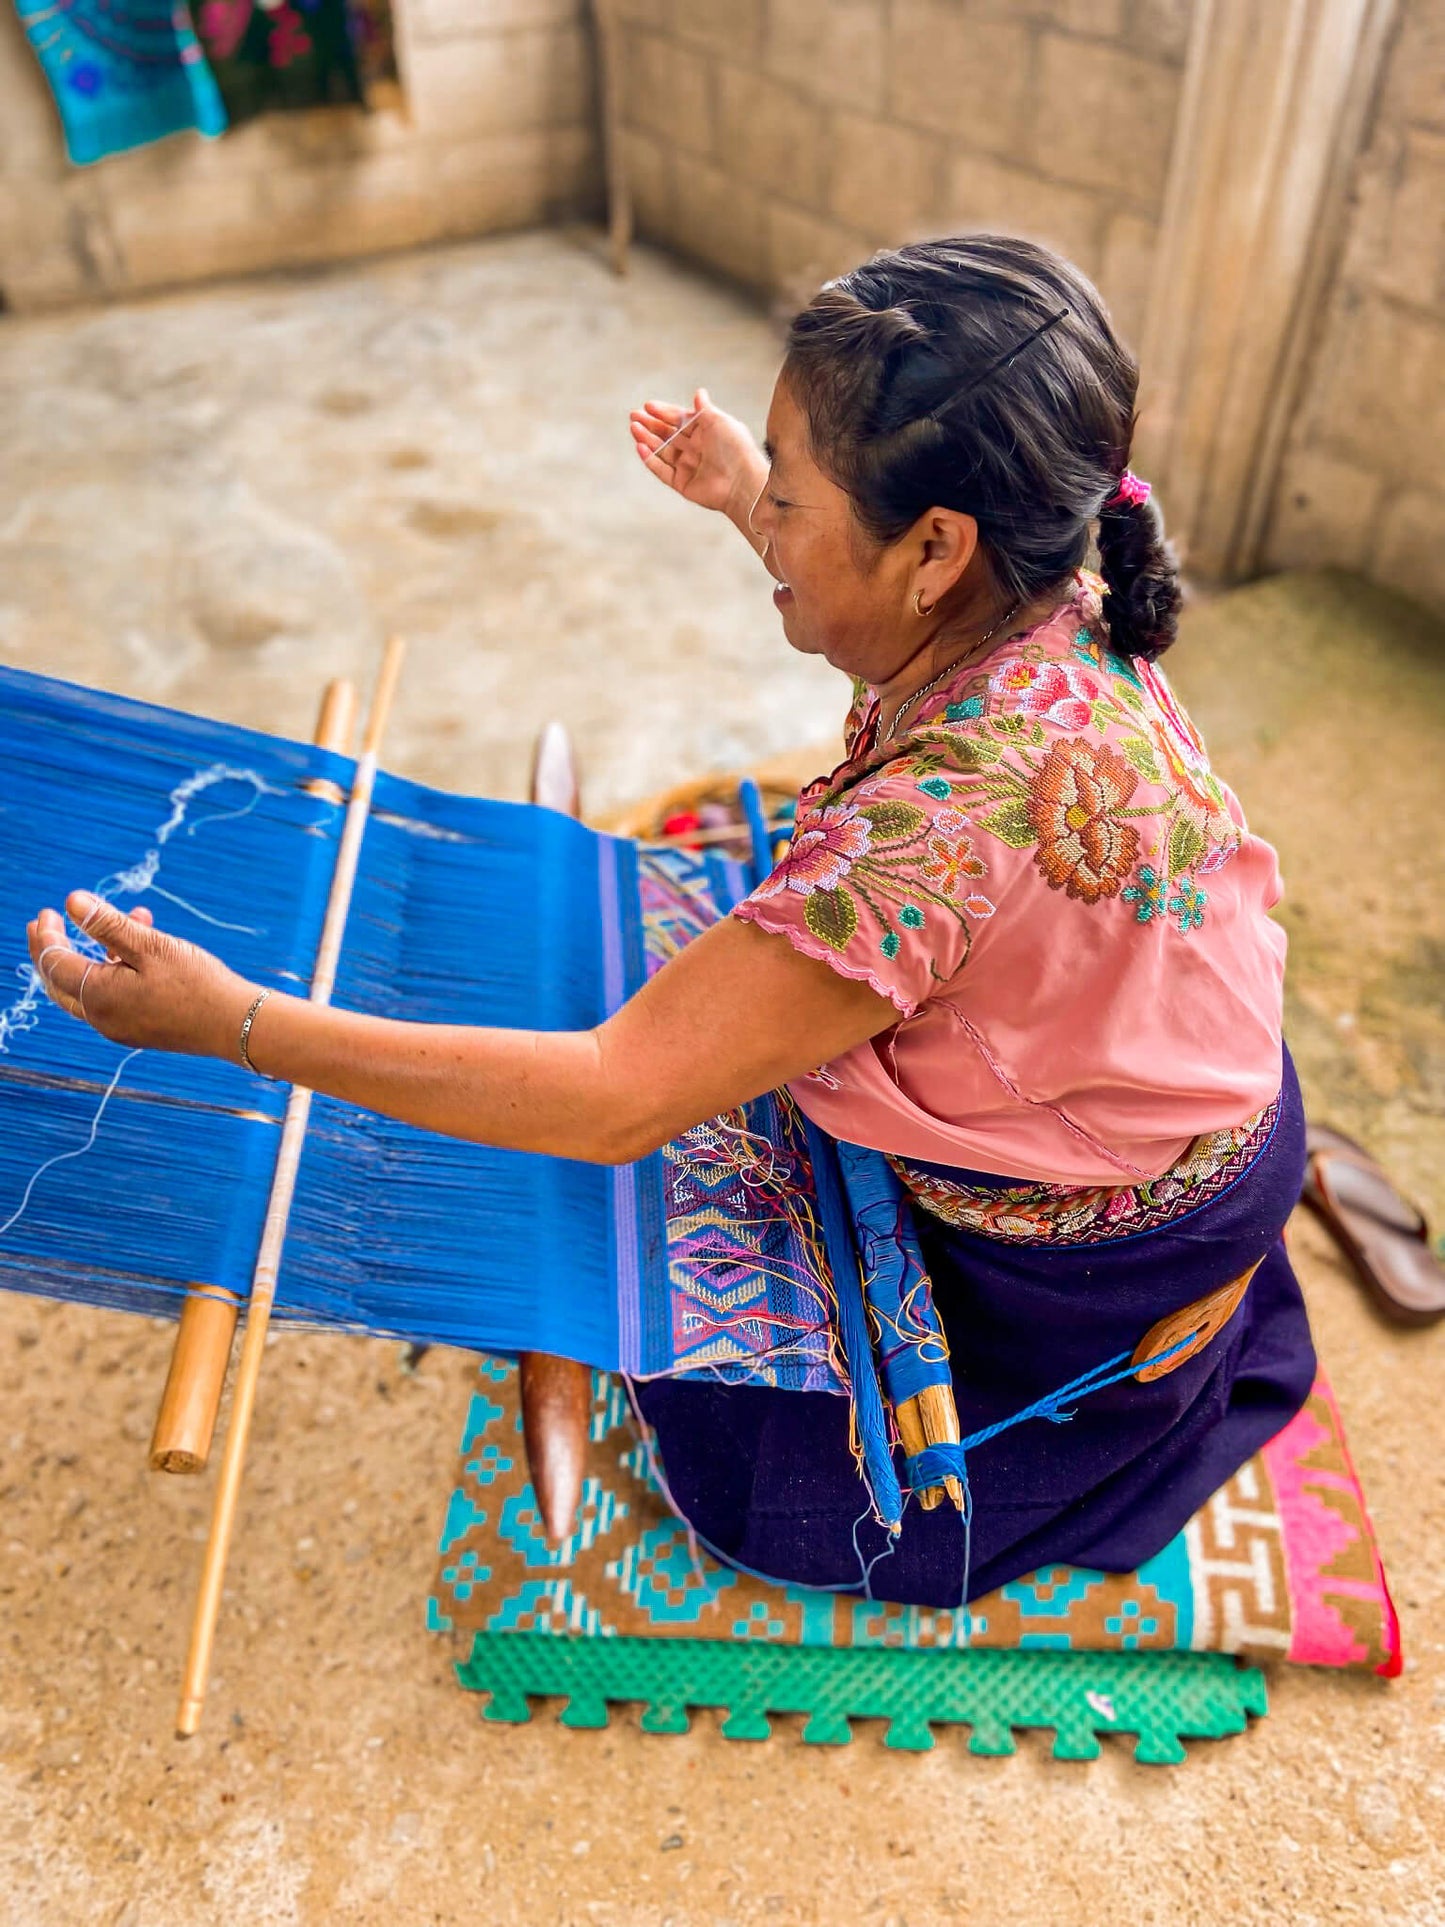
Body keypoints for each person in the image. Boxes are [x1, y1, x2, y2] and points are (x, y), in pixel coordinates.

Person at [27, 235, 1313, 1606]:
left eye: (793, 491)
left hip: (1085, 1275)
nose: (770, 518)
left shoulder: (926, 837)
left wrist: (230, 1022)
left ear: (936, 548)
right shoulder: (1063, 566)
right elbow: (897, 634)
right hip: (1204, 1106)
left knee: (754, 1471)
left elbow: (611, 1099)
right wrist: (746, 498)